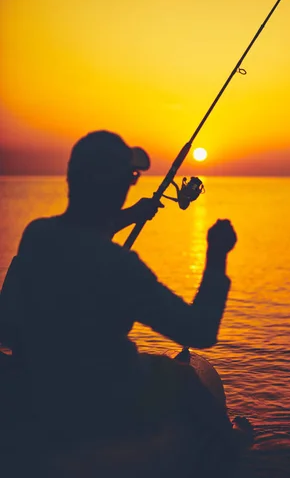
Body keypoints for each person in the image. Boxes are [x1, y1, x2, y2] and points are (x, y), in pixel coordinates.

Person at [0, 130, 252, 471]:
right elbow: (200, 331)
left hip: (40, 381)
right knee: (184, 380)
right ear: (119, 188)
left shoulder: (37, 236)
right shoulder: (120, 267)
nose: (131, 185)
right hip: (102, 392)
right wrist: (217, 255)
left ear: (71, 179)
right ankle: (230, 444)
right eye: (131, 179)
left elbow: (82, 232)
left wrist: (133, 213)